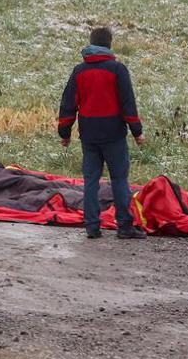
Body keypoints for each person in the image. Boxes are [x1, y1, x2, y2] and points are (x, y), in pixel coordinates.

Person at [57, 26, 147, 240]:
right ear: (109, 44)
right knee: (119, 179)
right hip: (114, 134)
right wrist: (137, 132)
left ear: (91, 43)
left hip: (88, 134)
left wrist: (65, 132)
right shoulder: (118, 70)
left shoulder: (79, 71)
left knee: (90, 180)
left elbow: (68, 104)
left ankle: (92, 226)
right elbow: (128, 104)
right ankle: (124, 225)